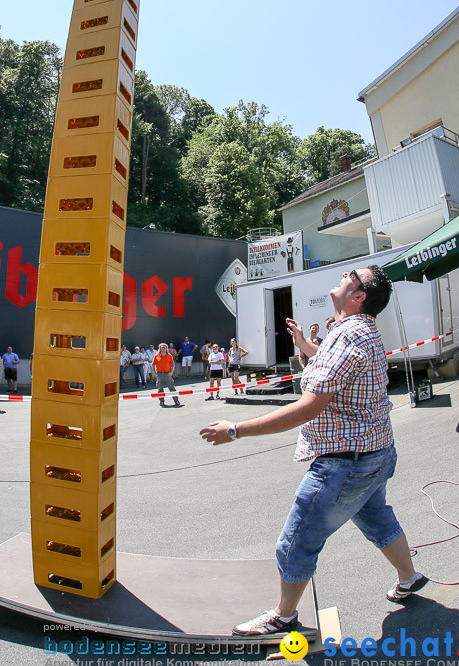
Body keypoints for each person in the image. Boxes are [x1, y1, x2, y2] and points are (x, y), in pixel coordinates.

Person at [200, 265, 427, 638]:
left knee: (296, 541)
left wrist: (236, 429)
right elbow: (335, 369)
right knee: (378, 520)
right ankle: (409, 575)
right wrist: (306, 346)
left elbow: (308, 407)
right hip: (375, 453)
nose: (344, 275)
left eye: (352, 275)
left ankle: (284, 617)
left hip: (346, 464)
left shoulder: (348, 337)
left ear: (358, 298)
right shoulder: (355, 331)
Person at [152, 342, 181, 408]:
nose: (163, 348)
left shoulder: (169, 356)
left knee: (172, 387)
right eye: (162, 347)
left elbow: (173, 365)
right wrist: (155, 373)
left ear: (166, 348)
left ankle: (176, 400)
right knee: (160, 388)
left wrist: (171, 372)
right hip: (159, 374)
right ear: (160, 348)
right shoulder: (156, 356)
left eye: (164, 347)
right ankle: (161, 401)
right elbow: (153, 365)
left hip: (167, 374)